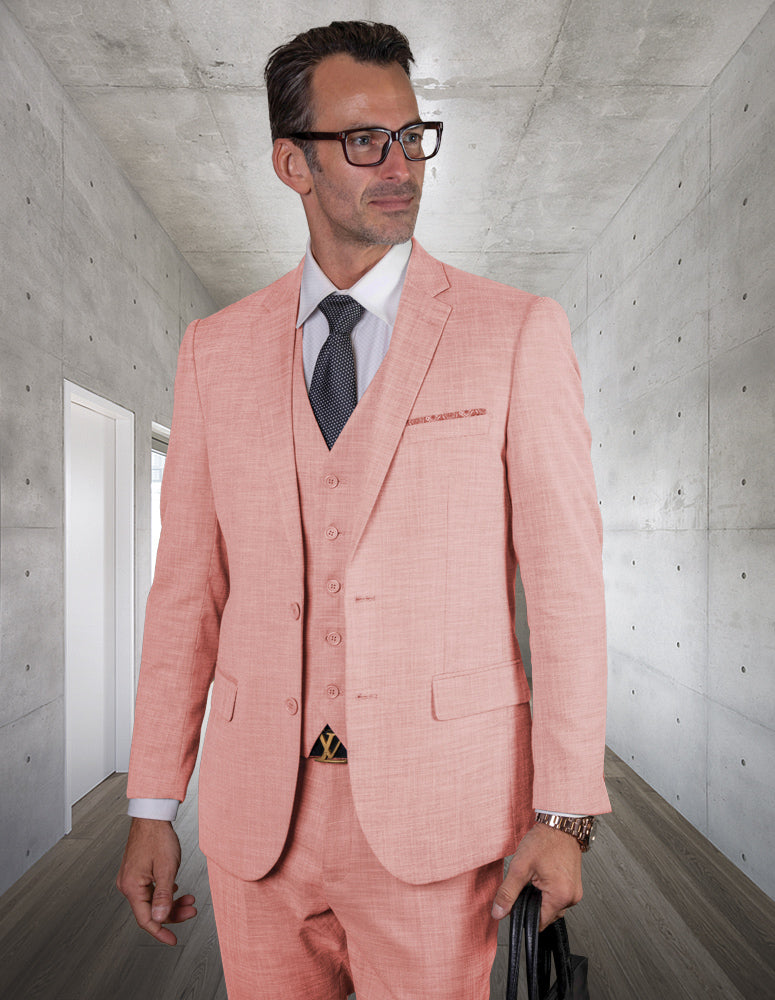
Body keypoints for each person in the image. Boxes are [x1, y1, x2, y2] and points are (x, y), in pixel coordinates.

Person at [117, 20, 610, 1000]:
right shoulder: (213, 350)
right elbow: (188, 592)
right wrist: (150, 801)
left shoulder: (513, 332)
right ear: (291, 164)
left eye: (411, 135)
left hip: (447, 819)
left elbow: (564, 587)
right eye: (362, 141)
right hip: (260, 825)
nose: (399, 166)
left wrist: (563, 816)